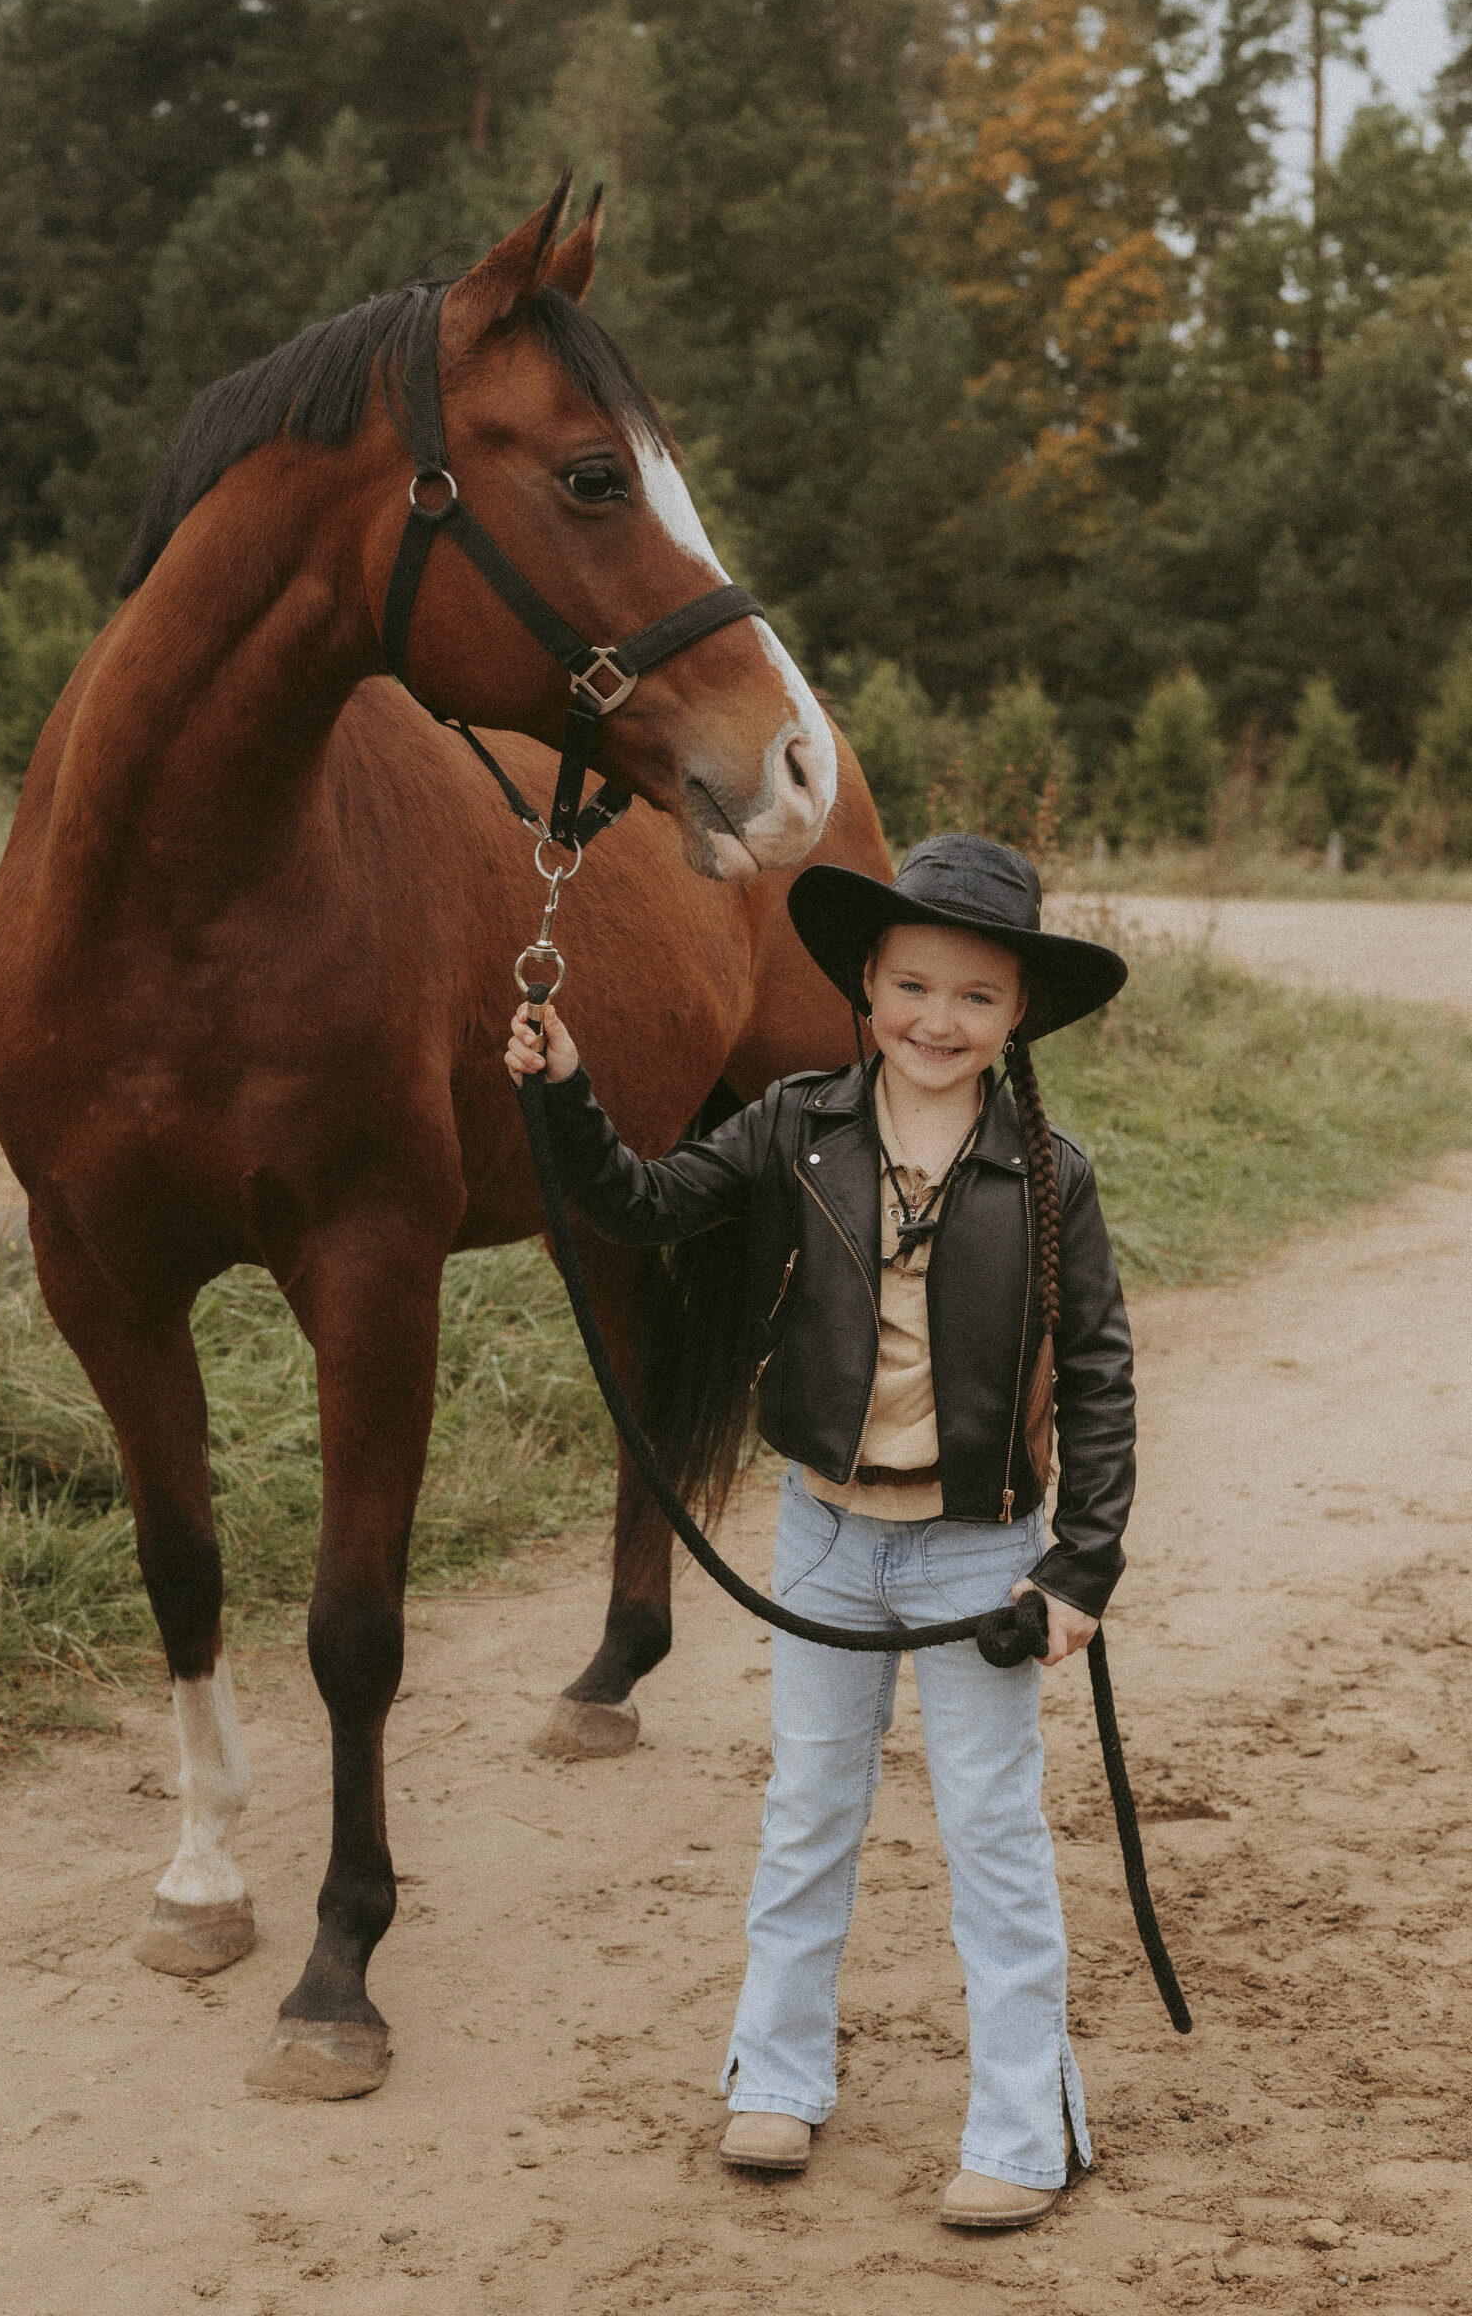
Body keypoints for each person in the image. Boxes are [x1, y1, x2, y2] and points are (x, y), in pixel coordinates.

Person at [504, 833, 1136, 2231]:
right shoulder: (794, 1124)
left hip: (978, 1552)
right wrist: (564, 1090)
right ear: (865, 984)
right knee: (806, 1814)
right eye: (912, 985)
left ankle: (1024, 2126)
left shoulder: (1049, 1175)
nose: (936, 1020)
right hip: (828, 1537)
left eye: (975, 995)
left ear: (1017, 1013)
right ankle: (778, 2077)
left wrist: (1079, 1563)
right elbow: (642, 1203)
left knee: (992, 1836)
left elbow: (1098, 1375)